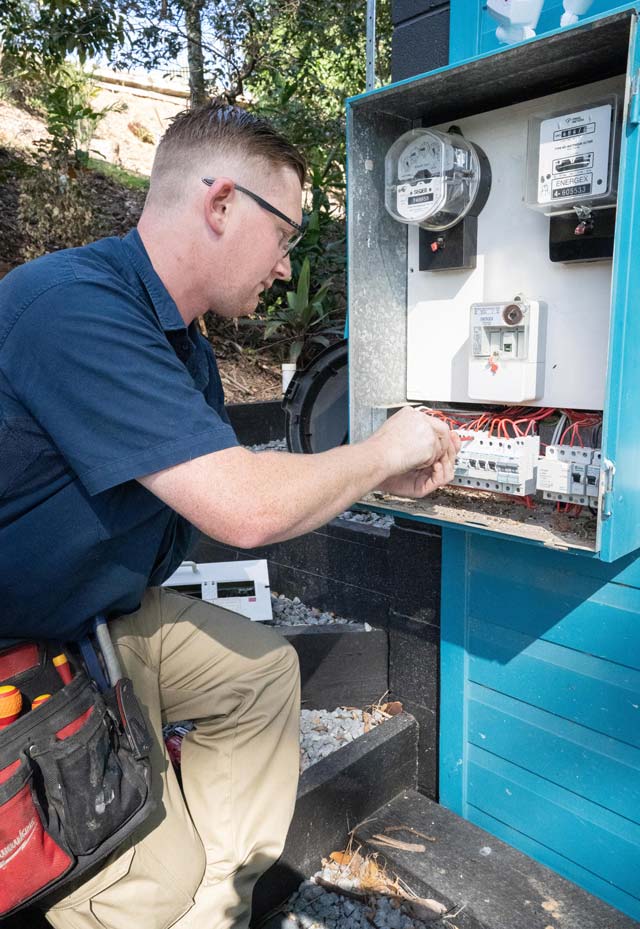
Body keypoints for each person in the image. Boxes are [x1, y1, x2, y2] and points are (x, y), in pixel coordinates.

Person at [0, 101, 460, 929]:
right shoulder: (69, 308)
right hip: (25, 640)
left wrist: (371, 482)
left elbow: (231, 480)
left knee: (258, 672)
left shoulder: (185, 344)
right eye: (285, 234)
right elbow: (243, 510)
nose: (286, 266)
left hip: (105, 610)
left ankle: (212, 913)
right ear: (219, 205)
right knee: (148, 874)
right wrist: (385, 450)